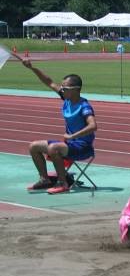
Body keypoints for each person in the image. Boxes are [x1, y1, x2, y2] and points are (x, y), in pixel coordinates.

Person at [21, 59, 97, 194]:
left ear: (75, 90)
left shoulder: (84, 106)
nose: (61, 90)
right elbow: (49, 82)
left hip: (82, 147)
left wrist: (73, 136)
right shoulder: (66, 99)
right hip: (69, 145)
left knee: (53, 148)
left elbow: (93, 126)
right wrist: (32, 68)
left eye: (65, 88)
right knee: (33, 146)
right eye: (62, 87)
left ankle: (63, 183)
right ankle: (45, 179)